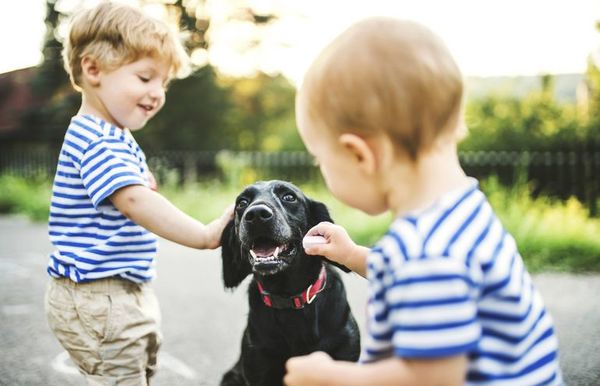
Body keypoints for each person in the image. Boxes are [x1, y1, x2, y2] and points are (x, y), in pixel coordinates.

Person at [284, 17, 563, 386]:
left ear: (360, 155)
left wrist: (332, 377)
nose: (321, 169)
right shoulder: (462, 211)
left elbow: (431, 378)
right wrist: (351, 255)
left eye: (321, 159)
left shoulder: (426, 253)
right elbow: (415, 275)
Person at [44, 2, 232, 385]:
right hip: (100, 295)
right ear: (93, 69)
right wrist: (203, 235)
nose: (157, 93)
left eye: (163, 83)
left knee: (134, 374)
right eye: (145, 78)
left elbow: (129, 188)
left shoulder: (108, 134)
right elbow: (133, 200)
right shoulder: (98, 139)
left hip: (114, 291)